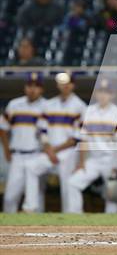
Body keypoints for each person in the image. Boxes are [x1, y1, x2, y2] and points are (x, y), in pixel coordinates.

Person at [25, 72, 86, 213]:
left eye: (68, 83)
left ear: (73, 85)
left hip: (69, 152)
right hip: (50, 151)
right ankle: (31, 208)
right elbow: (41, 130)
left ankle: (72, 217)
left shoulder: (80, 106)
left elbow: (77, 138)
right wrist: (48, 148)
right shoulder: (49, 104)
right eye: (62, 83)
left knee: (68, 186)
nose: (65, 86)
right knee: (31, 167)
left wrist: (54, 150)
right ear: (58, 85)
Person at [67, 79, 117, 213]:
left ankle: (111, 225)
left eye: (107, 92)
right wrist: (81, 163)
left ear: (112, 95)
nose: (103, 95)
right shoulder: (87, 112)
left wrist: (116, 166)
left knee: (112, 192)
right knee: (73, 183)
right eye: (100, 91)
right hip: (92, 160)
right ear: (96, 94)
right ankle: (74, 219)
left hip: (110, 160)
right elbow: (83, 140)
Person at [0, 72, 46, 213]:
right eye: (29, 85)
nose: (32, 89)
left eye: (36, 86)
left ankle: (40, 231)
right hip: (17, 156)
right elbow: (2, 128)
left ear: (41, 89)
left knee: (36, 197)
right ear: (25, 87)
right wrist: (6, 149)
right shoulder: (14, 104)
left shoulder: (47, 105)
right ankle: (9, 231)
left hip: (36, 154)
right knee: (9, 197)